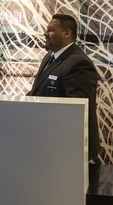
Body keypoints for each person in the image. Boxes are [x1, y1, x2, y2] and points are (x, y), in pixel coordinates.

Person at [27, 13, 100, 163]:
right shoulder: (50, 57)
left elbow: (76, 111)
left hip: (67, 148)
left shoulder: (79, 63)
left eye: (51, 30)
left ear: (67, 33)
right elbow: (38, 92)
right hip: (47, 143)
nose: (45, 34)